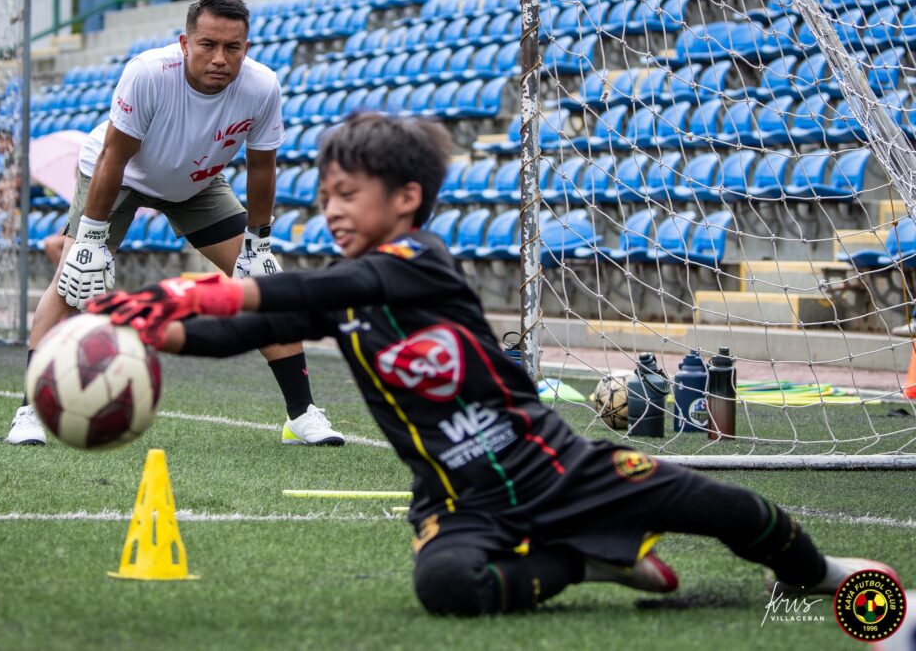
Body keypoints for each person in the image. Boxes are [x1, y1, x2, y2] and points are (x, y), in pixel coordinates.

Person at [87, 113, 900, 615]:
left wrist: (205, 293)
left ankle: (815, 574)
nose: (330, 208)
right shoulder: (341, 285)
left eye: (347, 192)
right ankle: (584, 560)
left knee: (727, 507)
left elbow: (334, 285)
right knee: (445, 588)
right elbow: (261, 324)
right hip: (456, 500)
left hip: (559, 465)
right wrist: (150, 329)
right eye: (324, 195)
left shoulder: (421, 261)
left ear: (405, 199)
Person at [6, 0, 345, 449]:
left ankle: (302, 413)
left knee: (269, 290)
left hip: (196, 183)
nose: (221, 58)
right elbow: (114, 157)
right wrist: (88, 238)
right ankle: (30, 409)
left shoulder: (262, 86)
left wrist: (258, 243)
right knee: (73, 280)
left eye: (233, 47)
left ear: (247, 47)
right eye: (208, 44)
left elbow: (262, 166)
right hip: (122, 176)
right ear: (185, 43)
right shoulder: (149, 73)